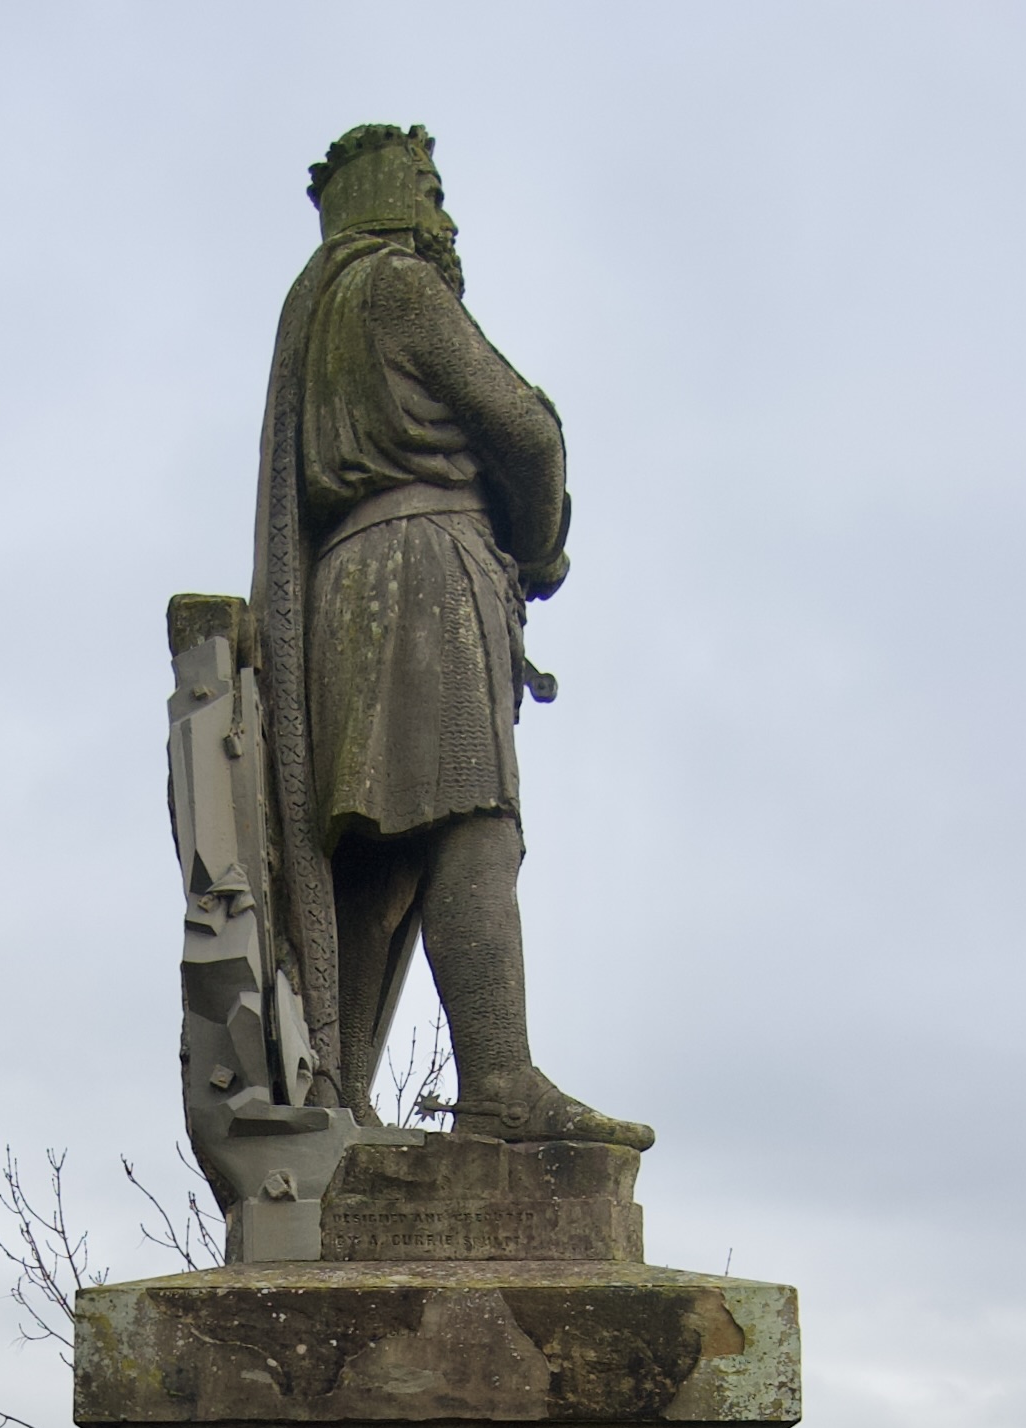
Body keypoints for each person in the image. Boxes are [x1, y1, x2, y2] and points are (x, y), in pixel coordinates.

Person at [253, 123, 652, 1151]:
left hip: (351, 584)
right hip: (429, 567)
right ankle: (500, 1083)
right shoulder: (395, 284)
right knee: (474, 822)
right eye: (428, 185)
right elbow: (521, 427)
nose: (444, 213)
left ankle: (335, 1089)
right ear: (388, 189)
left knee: (380, 853)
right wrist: (538, 537)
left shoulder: (314, 311)